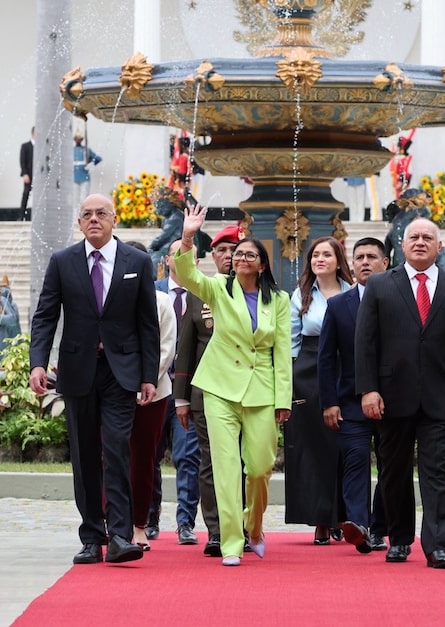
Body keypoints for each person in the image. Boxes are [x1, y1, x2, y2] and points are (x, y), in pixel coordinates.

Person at [29, 193, 160, 565]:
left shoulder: (138, 261)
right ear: (79, 222)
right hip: (77, 370)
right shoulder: (63, 262)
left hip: (121, 373)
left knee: (116, 448)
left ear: (114, 219)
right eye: (86, 214)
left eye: (101, 213)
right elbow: (45, 316)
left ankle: (120, 535)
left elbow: (147, 323)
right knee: (85, 455)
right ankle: (91, 537)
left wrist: (148, 375)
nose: (94, 219)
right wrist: (38, 362)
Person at [355, 217, 445, 568]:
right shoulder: (380, 285)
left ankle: (438, 544)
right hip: (391, 397)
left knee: (438, 474)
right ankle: (398, 540)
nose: (421, 242)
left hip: (440, 398)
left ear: (439, 247)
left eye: (428, 237)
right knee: (394, 472)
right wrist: (368, 390)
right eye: (414, 237)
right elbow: (365, 344)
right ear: (402, 244)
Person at [174, 203, 291, 566]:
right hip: (219, 388)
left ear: (261, 263)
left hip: (262, 391)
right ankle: (230, 543)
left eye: (248, 254)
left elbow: (283, 354)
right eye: (237, 254)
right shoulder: (218, 290)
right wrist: (189, 235)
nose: (240, 258)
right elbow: (187, 274)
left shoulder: (280, 300)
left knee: (258, 468)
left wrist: (283, 399)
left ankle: (253, 526)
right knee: (224, 467)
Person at [173, 224, 245, 557]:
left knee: (249, 462)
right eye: (222, 251)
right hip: (207, 393)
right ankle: (218, 530)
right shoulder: (200, 292)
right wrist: (182, 397)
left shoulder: (261, 292)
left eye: (235, 250)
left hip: (249, 391)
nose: (229, 256)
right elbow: (186, 347)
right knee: (212, 461)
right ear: (212, 256)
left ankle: (243, 524)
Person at [318, 237, 390, 554]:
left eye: (371, 257)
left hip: (393, 403)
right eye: (358, 257)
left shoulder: (401, 302)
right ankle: (359, 526)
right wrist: (329, 402)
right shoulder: (338, 306)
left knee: (390, 468)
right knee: (356, 463)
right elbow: (326, 359)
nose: (364, 262)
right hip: (349, 404)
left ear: (385, 263)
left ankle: (380, 527)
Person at [284, 236, 353, 544]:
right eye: (315, 255)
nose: (319, 259)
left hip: (345, 368)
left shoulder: (354, 293)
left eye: (327, 254)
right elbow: (291, 343)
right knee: (312, 448)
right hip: (309, 371)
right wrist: (290, 382)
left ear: (339, 259)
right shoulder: (299, 296)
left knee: (342, 446)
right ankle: (320, 519)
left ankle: (342, 514)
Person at [147, 240, 202, 546]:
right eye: (177, 255)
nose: (182, 260)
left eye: (189, 256)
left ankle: (185, 522)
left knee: (188, 456)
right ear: (167, 259)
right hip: (154, 385)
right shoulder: (150, 291)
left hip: (191, 388)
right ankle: (150, 516)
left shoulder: (205, 291)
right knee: (149, 455)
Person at [123, 241, 176, 551]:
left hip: (152, 393)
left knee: (144, 460)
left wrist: (144, 382)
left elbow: (165, 348)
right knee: (112, 458)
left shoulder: (161, 301)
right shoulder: (108, 299)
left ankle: (140, 524)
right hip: (114, 390)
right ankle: (112, 521)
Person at [73, 133, 102, 208]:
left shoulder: (86, 150)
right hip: (74, 177)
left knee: (84, 199)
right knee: (75, 200)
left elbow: (98, 158)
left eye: (79, 139)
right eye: (76, 139)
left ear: (82, 140)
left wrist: (89, 166)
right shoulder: (71, 150)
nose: (78, 140)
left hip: (84, 176)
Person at [20, 127, 34, 210]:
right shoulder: (25, 146)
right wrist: (25, 174)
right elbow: (22, 161)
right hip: (29, 174)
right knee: (26, 194)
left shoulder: (41, 146)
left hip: (39, 176)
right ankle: (21, 215)